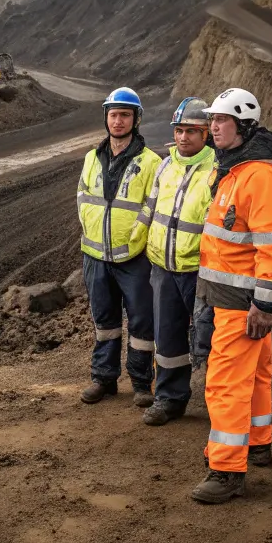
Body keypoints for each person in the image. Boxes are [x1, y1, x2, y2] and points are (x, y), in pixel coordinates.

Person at [191, 88, 272, 504]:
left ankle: (227, 469)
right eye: (211, 120)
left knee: (224, 383)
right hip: (231, 297)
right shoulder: (234, 169)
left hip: (242, 303)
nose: (213, 127)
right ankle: (258, 442)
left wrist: (264, 305)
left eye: (221, 120)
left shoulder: (258, 175)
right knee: (257, 375)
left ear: (244, 126)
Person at [77, 87, 163, 407]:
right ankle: (104, 379)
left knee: (141, 322)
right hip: (96, 255)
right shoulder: (91, 158)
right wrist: (90, 234)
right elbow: (83, 199)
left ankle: (141, 383)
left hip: (134, 257)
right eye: (113, 114)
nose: (117, 120)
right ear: (106, 117)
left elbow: (152, 208)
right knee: (105, 322)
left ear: (136, 119)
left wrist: (136, 241)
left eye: (124, 115)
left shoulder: (151, 162)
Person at [140, 97, 216, 425]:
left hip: (199, 270)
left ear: (206, 134)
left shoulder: (217, 169)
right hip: (163, 266)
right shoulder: (165, 165)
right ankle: (170, 398)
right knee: (168, 336)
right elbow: (151, 210)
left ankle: (222, 404)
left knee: (210, 338)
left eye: (192, 131)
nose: (183, 137)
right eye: (180, 130)